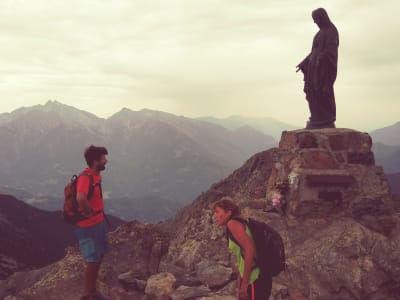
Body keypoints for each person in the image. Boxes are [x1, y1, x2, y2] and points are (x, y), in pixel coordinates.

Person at [213, 197, 272, 300]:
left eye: (217, 212)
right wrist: (240, 280)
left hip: (254, 279)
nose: (215, 216)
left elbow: (249, 250)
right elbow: (242, 255)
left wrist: (244, 284)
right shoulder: (239, 222)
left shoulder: (233, 224)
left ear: (228, 213)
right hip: (254, 277)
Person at [75, 145, 110, 300]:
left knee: (99, 255)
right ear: (96, 161)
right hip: (88, 226)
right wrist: (89, 212)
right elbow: (80, 197)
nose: (106, 161)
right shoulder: (85, 177)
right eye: (103, 159)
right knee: (92, 259)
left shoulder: (96, 176)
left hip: (99, 222)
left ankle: (92, 289)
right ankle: (87, 294)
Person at [296, 8, 339, 129]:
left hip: (322, 72)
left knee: (322, 93)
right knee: (311, 94)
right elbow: (313, 52)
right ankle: (316, 117)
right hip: (313, 69)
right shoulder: (318, 34)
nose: (315, 23)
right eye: (314, 20)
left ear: (322, 18)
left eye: (316, 20)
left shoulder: (332, 31)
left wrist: (320, 58)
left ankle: (325, 119)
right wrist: (304, 62)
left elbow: (331, 51)